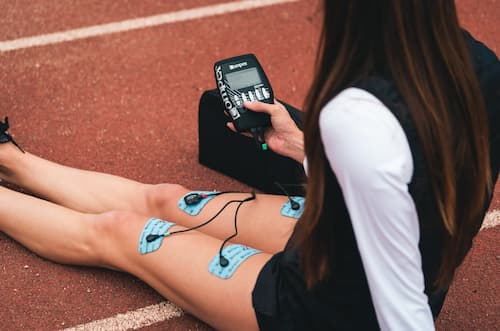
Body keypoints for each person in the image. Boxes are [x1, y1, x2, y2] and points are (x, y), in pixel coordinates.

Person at [1, 0, 498, 330]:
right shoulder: (483, 68)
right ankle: (11, 162)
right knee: (165, 199)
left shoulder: (358, 113)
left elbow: (398, 295)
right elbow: (415, 178)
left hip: (329, 309)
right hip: (344, 244)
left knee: (120, 231)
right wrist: (302, 146)